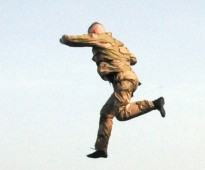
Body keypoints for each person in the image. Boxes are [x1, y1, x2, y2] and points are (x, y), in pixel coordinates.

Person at [60, 22, 166, 159]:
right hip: (128, 80)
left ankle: (154, 104)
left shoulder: (99, 38)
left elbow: (73, 40)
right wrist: (116, 57)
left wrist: (63, 39)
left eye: (91, 34)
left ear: (94, 32)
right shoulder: (118, 43)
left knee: (122, 114)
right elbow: (133, 59)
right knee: (106, 113)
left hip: (123, 80)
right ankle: (101, 149)